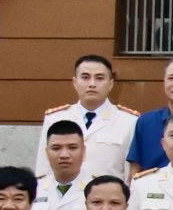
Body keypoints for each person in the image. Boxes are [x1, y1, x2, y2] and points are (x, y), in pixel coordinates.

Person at [37, 54, 138, 182]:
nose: (92, 84)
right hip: (65, 193)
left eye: (99, 78)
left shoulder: (129, 121)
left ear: (111, 84)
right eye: (85, 77)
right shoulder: (55, 118)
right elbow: (43, 169)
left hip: (107, 193)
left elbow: (130, 174)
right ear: (75, 82)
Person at [27, 121, 93, 210]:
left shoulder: (99, 189)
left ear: (84, 151)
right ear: (46, 152)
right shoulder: (31, 188)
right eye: (56, 148)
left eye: (72, 148)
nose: (64, 155)